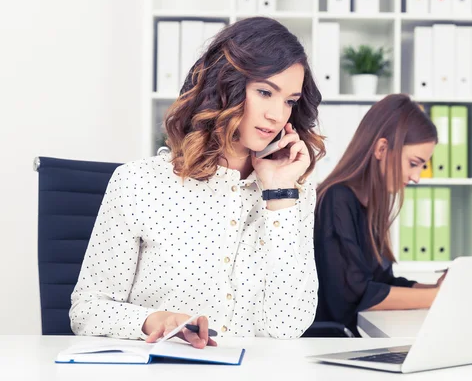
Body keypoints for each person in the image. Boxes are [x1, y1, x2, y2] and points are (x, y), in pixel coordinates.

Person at [70, 17, 325, 348]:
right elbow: (87, 311)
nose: (278, 115)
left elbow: (287, 326)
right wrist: (153, 320)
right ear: (225, 86)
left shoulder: (293, 195)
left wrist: (279, 198)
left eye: (289, 101)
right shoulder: (138, 183)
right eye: (264, 92)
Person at [313, 94, 445, 336]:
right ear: (382, 148)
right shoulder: (336, 199)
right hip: (331, 344)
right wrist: (436, 297)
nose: (417, 177)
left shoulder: (369, 203)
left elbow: (380, 283)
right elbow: (355, 295)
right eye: (414, 163)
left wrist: (434, 288)